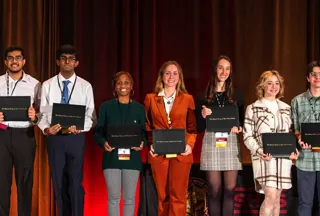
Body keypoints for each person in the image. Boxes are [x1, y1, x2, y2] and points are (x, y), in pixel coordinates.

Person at [38, 44, 96, 216]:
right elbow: (42, 114)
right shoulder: (47, 85)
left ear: (76, 63)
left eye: (71, 58)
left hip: (74, 138)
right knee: (59, 182)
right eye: (63, 58)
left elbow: (91, 117)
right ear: (58, 62)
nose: (67, 61)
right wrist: (47, 129)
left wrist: (80, 127)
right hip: (55, 138)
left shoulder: (85, 86)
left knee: (75, 181)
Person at [144, 60, 197, 216]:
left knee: (178, 197)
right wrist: (151, 145)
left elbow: (192, 127)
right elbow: (147, 126)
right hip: (159, 154)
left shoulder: (187, 99)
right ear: (161, 76)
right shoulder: (151, 98)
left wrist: (190, 144)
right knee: (163, 197)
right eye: (167, 73)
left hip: (181, 153)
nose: (171, 76)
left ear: (179, 77)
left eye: (175, 73)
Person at [243, 70, 299, 216]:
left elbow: (292, 134)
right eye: (269, 83)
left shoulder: (286, 108)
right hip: (264, 159)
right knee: (270, 196)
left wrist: (295, 151)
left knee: (277, 199)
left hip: (283, 160)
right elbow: (247, 135)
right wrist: (258, 150)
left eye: (277, 83)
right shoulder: (253, 108)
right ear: (262, 85)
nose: (273, 87)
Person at [196, 55, 244, 216]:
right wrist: (202, 116)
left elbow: (241, 123)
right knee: (214, 191)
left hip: (230, 143)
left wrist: (239, 128)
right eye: (221, 67)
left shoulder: (237, 95)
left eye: (228, 68)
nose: (224, 72)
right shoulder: (203, 97)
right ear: (214, 70)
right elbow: (199, 127)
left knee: (230, 190)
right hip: (211, 142)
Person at [93, 71, 146, 216]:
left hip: (132, 159)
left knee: (130, 199)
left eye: (126, 82)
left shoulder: (139, 109)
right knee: (113, 199)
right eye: (119, 82)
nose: (123, 85)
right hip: (111, 159)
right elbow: (98, 132)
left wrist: (142, 143)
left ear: (132, 86)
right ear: (115, 87)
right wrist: (103, 143)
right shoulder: (106, 107)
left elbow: (144, 133)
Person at [0, 46, 41, 216]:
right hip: (2, 135)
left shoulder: (35, 84)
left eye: (18, 58)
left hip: (25, 136)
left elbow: (43, 113)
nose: (14, 61)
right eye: (10, 58)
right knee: (1, 183)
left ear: (24, 61)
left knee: (25, 183)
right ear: (5, 62)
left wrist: (35, 116)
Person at [291, 61, 320, 216]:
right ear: (308, 78)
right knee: (304, 205)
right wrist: (299, 136)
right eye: (314, 74)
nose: (317, 77)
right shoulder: (297, 101)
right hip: (305, 160)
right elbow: (295, 129)